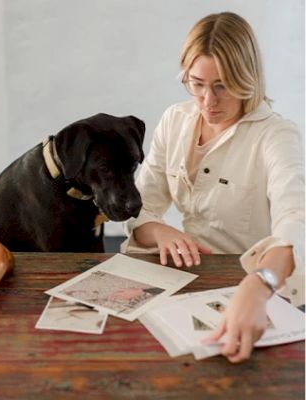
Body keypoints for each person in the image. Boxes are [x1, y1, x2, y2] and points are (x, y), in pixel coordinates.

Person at [121, 12, 304, 363]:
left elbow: (295, 224)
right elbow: (140, 208)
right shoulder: (175, 120)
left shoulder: (276, 136)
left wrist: (258, 284)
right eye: (197, 83)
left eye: (221, 85)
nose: (208, 101)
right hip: (190, 283)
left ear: (247, 79)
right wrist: (161, 232)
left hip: (258, 288)